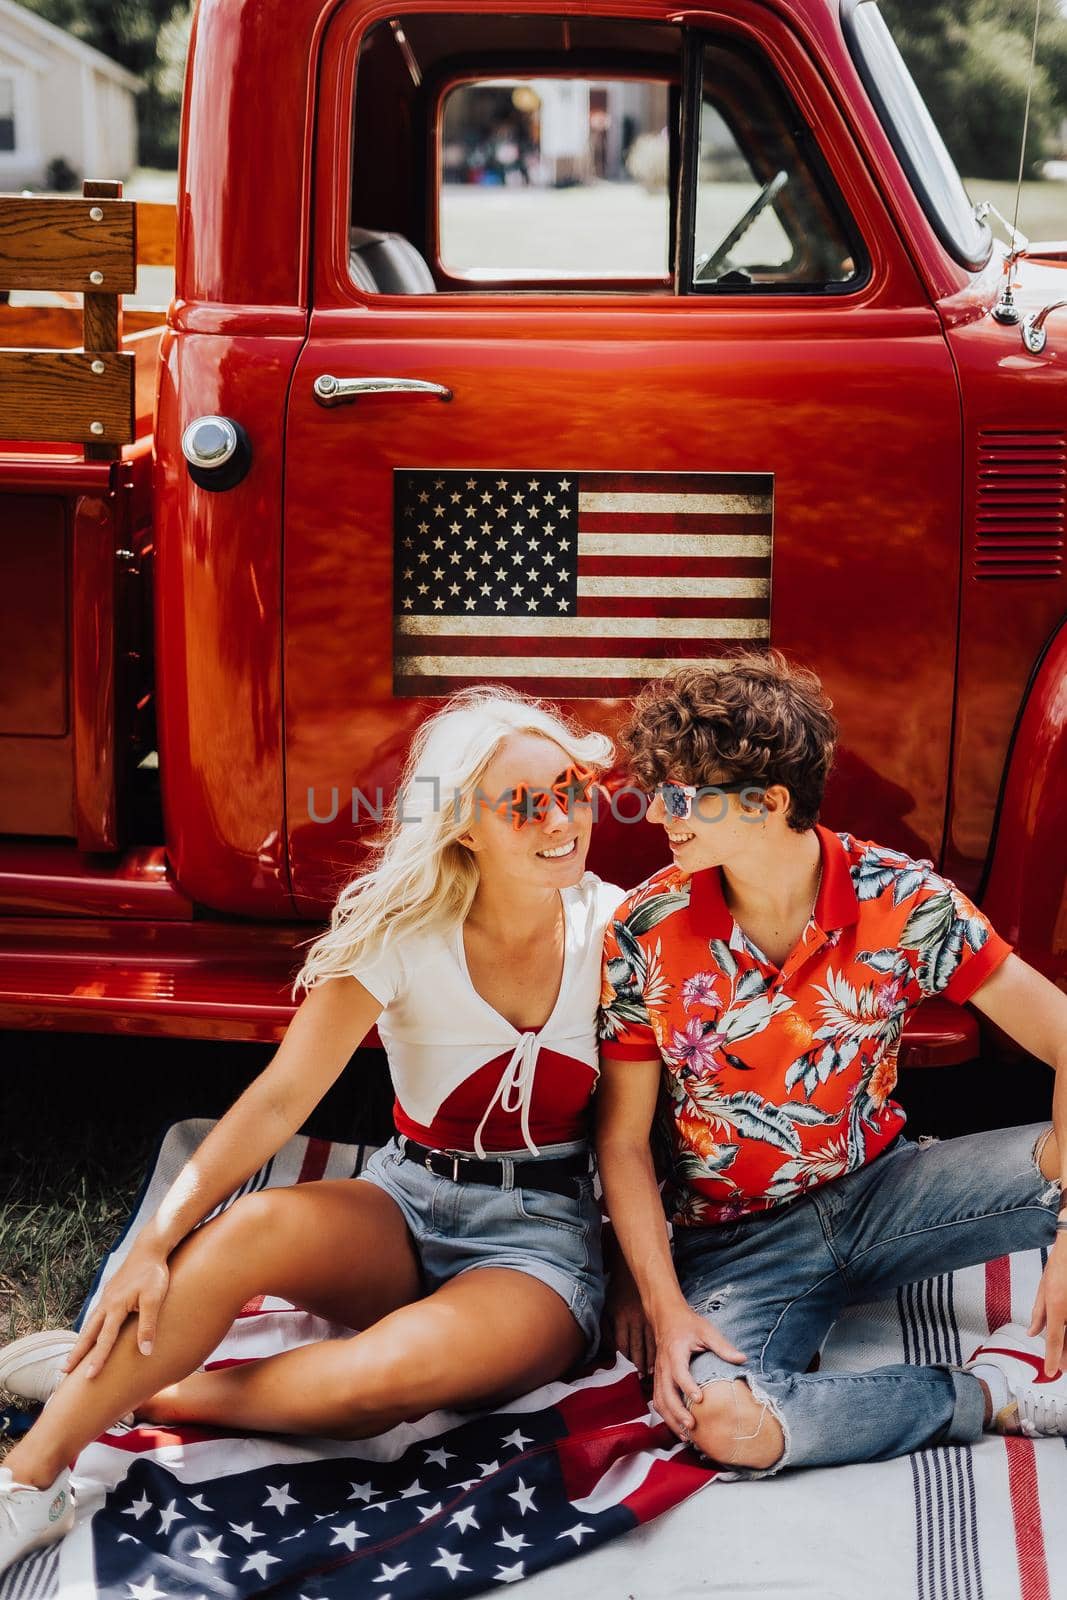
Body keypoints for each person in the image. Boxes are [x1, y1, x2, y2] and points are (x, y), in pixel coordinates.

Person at [0, 688, 622, 1571]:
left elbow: (660, 1131)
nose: (561, 818)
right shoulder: (402, 933)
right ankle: (30, 1480)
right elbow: (277, 1100)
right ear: (463, 827)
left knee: (381, 1380)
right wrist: (154, 1243)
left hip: (540, 1247)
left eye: (571, 788)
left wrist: (644, 1285)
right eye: (524, 802)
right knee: (247, 1227)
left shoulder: (620, 930)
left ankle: (143, 1394)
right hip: (408, 1200)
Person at [596, 650, 1067, 1477]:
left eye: (687, 794)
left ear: (770, 801)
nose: (662, 813)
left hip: (889, 1194)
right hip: (735, 1242)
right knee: (723, 1422)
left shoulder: (905, 901)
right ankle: (991, 1393)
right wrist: (665, 1304)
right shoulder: (645, 928)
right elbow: (624, 1142)